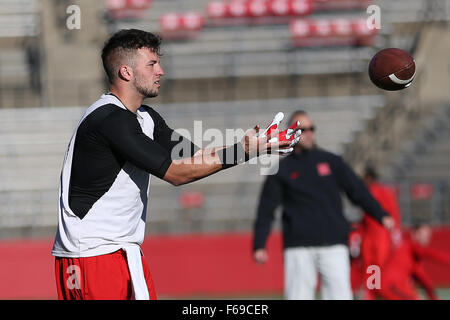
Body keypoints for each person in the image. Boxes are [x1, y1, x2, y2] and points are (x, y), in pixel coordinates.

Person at [51, 29, 299, 300]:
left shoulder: (144, 117)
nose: (161, 71)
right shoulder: (110, 119)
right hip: (90, 254)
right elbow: (176, 173)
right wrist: (242, 151)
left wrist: (255, 145)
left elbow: (191, 156)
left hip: (123, 250)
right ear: (126, 72)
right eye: (152, 64)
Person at [252, 110, 395, 300]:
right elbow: (266, 209)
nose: (309, 133)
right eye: (302, 129)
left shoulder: (331, 161)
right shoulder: (282, 170)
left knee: (340, 296)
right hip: (299, 246)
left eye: (311, 128)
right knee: (298, 297)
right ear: (291, 133)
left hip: (334, 243)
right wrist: (259, 244)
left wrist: (381, 214)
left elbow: (357, 190)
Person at [359, 166, 402, 299]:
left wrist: (395, 231)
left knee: (378, 265)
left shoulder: (382, 191)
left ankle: (380, 291)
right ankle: (371, 292)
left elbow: (393, 212)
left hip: (381, 234)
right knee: (369, 266)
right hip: (369, 235)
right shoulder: (366, 192)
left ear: (370, 178)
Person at [378, 223, 450, 300]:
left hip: (391, 287)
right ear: (413, 234)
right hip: (391, 285)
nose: (426, 237)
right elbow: (431, 254)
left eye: (428, 234)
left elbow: (424, 279)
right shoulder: (410, 246)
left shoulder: (412, 257)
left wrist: (433, 297)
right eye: (422, 234)